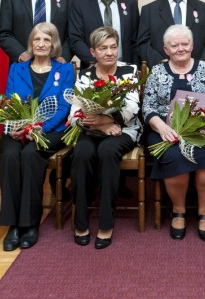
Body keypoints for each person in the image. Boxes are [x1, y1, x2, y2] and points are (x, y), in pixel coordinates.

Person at [143, 25, 205, 242]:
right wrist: (161, 127)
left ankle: (204, 213)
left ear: (192, 45)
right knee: (173, 155)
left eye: (185, 44)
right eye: (175, 45)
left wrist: (199, 124)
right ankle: (178, 211)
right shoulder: (157, 71)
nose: (181, 48)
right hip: (165, 131)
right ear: (166, 49)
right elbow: (148, 107)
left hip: (202, 129)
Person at [0, 23, 75, 251]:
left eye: (47, 40)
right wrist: (15, 124)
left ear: (54, 45)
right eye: (37, 40)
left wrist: (42, 127)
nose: (41, 44)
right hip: (19, 128)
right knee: (11, 156)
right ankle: (13, 225)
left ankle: (30, 223)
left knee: (31, 155)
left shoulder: (65, 70)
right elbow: (10, 101)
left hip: (51, 130)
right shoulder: (17, 68)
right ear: (31, 43)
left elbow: (64, 106)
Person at [69, 27, 141, 249]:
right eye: (103, 48)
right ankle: (80, 221)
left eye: (113, 47)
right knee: (81, 153)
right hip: (92, 130)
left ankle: (106, 223)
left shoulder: (129, 70)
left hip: (124, 130)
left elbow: (132, 108)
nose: (110, 52)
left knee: (107, 152)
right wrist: (102, 125)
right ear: (93, 51)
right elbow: (75, 114)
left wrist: (108, 122)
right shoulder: (85, 75)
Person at [69, 0, 140, 70]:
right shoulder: (80, 5)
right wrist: (94, 62)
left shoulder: (130, 4)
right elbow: (75, 39)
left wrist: (135, 67)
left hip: (125, 70)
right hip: (92, 69)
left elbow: (135, 40)